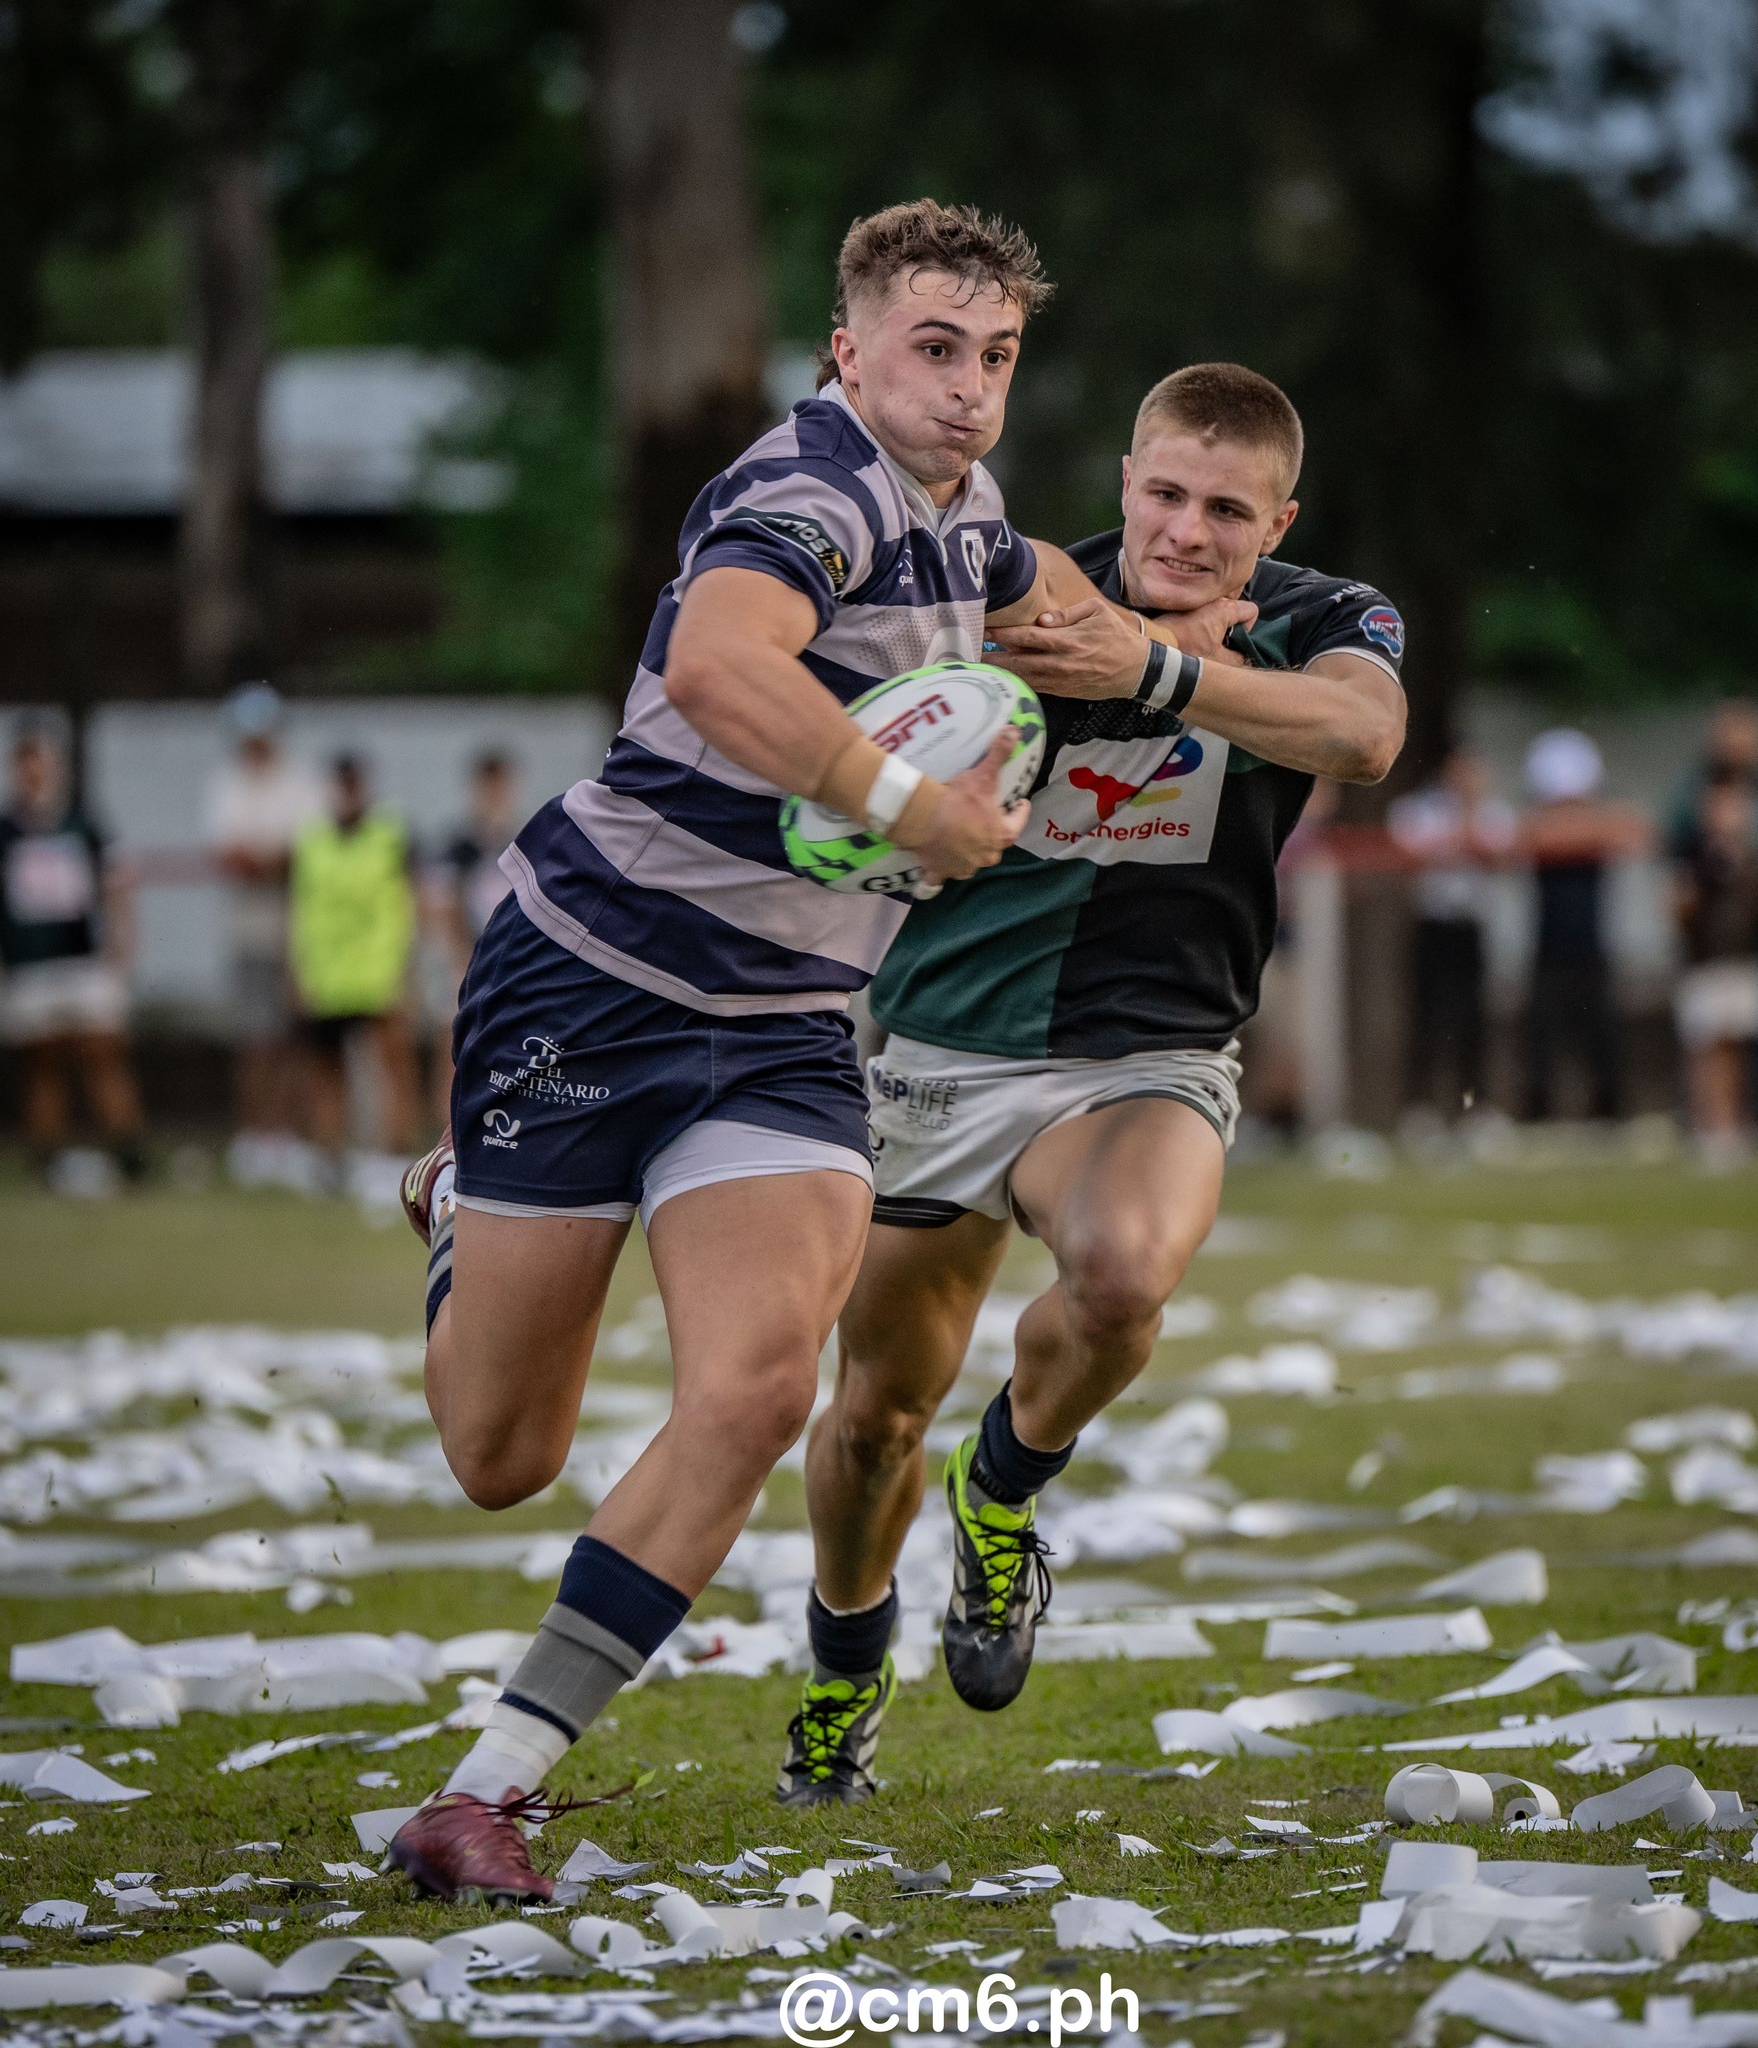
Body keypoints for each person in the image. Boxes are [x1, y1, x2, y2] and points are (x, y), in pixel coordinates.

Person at [384, 199, 1160, 1901]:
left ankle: (488, 1788)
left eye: (996, 358)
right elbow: (730, 666)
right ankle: (459, 1202)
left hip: (786, 1029)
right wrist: (914, 810)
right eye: (933, 350)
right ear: (849, 349)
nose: (966, 390)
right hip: (583, 986)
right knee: (499, 1453)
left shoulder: (970, 518)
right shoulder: (800, 493)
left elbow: (1073, 616)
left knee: (753, 1386)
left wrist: (1193, 652)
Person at [777, 362, 1406, 1806]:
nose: (1188, 531)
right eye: (1166, 494)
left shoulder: (1324, 616)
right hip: (940, 1046)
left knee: (1122, 1276)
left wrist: (1167, 675)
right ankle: (840, 1676)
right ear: (1125, 480)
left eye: (1227, 511)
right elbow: (848, 764)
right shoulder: (1009, 600)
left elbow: (1365, 737)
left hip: (1147, 1053)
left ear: (1278, 519)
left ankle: (1001, 1499)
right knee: (873, 1413)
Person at [0, 719, 146, 1183]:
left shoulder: (84, 821)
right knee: (41, 1064)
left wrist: (123, 945)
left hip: (83, 959)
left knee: (102, 1054)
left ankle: (127, 1154)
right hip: (26, 965)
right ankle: (48, 1158)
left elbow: (117, 885)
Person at [203, 683, 323, 1185]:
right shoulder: (226, 783)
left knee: (294, 1037)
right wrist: (273, 858)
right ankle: (255, 1138)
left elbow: (308, 856)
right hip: (248, 931)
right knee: (253, 1038)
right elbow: (229, 857)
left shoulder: (300, 784)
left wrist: (268, 858)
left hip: (299, 929)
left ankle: (289, 1138)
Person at [1665, 701, 1758, 1126]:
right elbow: (1677, 885)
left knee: (1750, 1038)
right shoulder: (1694, 814)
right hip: (1707, 951)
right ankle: (1706, 1124)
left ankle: (1751, 1120)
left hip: (1750, 947)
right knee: (1706, 1040)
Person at [289, 753, 419, 1167]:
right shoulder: (311, 839)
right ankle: (329, 1159)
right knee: (327, 1072)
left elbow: (409, 898)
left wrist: (408, 965)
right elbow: (300, 907)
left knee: (392, 1068)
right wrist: (296, 969)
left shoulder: (392, 833)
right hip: (327, 974)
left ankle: (394, 1156)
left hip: (380, 969)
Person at [1517, 727, 1650, 1123]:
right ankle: (1538, 1113)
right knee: (1541, 1040)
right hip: (1548, 949)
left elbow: (1635, 831)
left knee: (1603, 1036)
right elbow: (1526, 838)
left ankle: (1608, 1111)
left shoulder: (1601, 820)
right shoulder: (1537, 824)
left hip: (1592, 947)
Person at [1389, 746, 1513, 1118]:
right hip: (1432, 924)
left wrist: (1455, 836)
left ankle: (1474, 1108)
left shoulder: (1494, 812)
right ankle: (1421, 1108)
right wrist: (1460, 837)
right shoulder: (1417, 809)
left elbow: (1497, 856)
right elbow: (1410, 856)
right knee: (1427, 1017)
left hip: (1471, 924)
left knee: (1473, 1020)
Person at [1672, 767, 1758, 1163]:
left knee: (1740, 1047)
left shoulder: (1756, 861)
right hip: (1707, 965)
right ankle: (1709, 1126)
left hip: (1745, 963)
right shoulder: (1697, 862)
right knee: (1708, 1049)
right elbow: (1681, 915)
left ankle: (1736, 1124)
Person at [424, 749, 521, 1122]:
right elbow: (438, 904)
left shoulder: (521, 842)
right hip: (462, 961)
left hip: (508, 965)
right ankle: (446, 1133)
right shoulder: (458, 846)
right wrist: (459, 959)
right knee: (452, 1049)